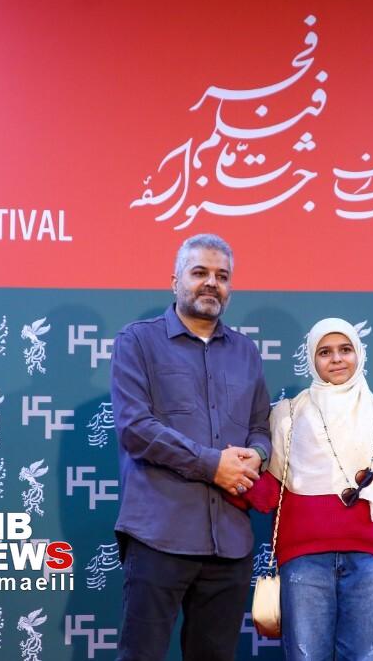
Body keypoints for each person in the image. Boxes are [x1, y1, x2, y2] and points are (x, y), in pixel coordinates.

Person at [110, 233, 272, 661]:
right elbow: (136, 428)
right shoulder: (137, 342)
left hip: (230, 543)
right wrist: (212, 464)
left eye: (222, 276)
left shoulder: (246, 352)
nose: (211, 283)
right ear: (175, 280)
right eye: (199, 272)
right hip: (159, 534)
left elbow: (261, 428)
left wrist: (258, 455)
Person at [232, 317, 373, 660]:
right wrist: (230, 477)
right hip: (304, 560)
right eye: (325, 352)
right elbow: (270, 491)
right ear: (311, 359)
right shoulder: (288, 415)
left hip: (369, 560)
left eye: (345, 349)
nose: (336, 359)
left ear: (359, 354)